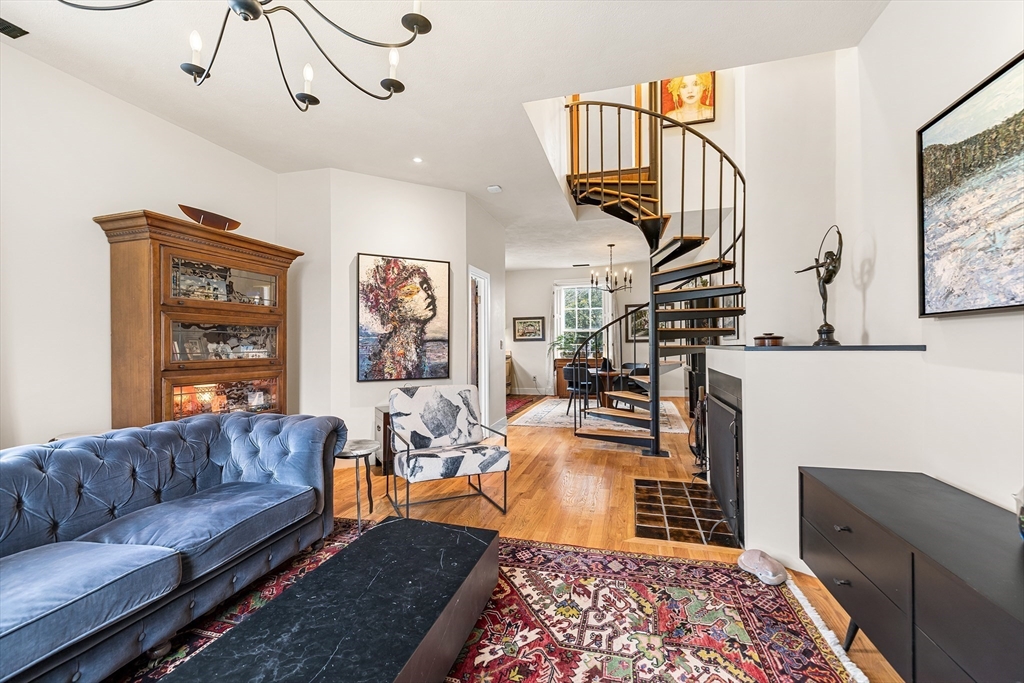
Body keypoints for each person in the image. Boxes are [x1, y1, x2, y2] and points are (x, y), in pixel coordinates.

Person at [359, 258, 438, 380]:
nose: (427, 296)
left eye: (426, 288)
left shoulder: (412, 346)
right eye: (410, 292)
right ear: (396, 307)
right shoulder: (395, 356)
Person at [795, 226, 843, 325]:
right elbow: (812, 267)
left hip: (828, 278)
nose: (827, 258)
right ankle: (824, 320)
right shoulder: (825, 264)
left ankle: (825, 320)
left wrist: (840, 235)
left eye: (828, 256)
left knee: (820, 280)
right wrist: (801, 271)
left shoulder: (836, 260)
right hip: (823, 280)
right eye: (826, 257)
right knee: (824, 298)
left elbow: (840, 246)